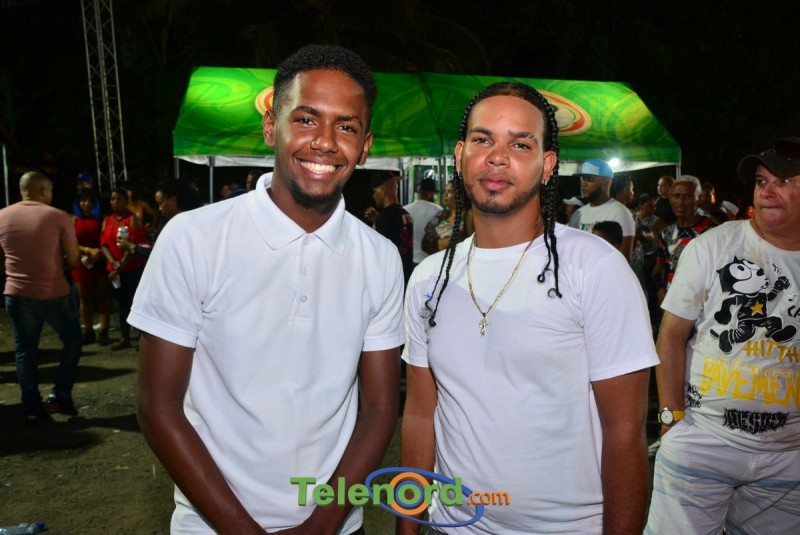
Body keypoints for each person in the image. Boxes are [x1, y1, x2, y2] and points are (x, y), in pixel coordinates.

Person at [129, 44, 403, 534]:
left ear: (365, 147)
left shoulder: (379, 258)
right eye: (306, 119)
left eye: (346, 127)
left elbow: (380, 409)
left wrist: (324, 524)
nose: (325, 142)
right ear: (270, 126)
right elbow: (158, 407)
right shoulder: (193, 238)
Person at [401, 82, 657, 534]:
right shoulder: (429, 278)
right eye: (483, 140)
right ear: (460, 156)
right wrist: (408, 527)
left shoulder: (594, 268)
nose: (497, 157)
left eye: (520, 144)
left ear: (547, 166)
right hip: (453, 525)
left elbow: (624, 432)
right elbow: (421, 415)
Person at [645, 139, 800, 534]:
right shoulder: (713, 246)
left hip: (789, 459)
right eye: (762, 181)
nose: (767, 191)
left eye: (783, 181)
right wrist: (670, 422)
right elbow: (671, 336)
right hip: (704, 441)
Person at [0, 171, 82, 422]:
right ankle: (60, 394)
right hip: (52, 292)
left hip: (16, 292)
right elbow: (74, 260)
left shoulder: (2, 216)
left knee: (25, 350)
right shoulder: (57, 216)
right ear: (43, 191)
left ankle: (32, 405)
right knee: (73, 339)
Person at [652, 175, 715, 304]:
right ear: (670, 198)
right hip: (672, 303)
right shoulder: (667, 233)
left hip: (703, 304)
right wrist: (660, 290)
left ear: (699, 199)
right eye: (676, 196)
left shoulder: (712, 233)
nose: (680, 202)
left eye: (687, 197)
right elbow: (657, 271)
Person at [100, 186, 147, 350]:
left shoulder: (133, 219)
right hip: (115, 270)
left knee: (137, 303)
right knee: (122, 304)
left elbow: (135, 244)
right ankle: (124, 337)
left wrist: (120, 266)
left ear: (125, 201)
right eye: (112, 199)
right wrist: (113, 262)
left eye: (118, 199)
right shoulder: (107, 220)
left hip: (132, 269)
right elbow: (103, 244)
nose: (115, 202)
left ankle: (142, 339)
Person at [569, 159, 636, 261]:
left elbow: (624, 259)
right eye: (583, 179)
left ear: (606, 181)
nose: (584, 184)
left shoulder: (621, 213)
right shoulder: (578, 214)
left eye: (590, 179)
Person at [116, 179, 202, 259]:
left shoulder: (182, 225)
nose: (159, 208)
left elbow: (160, 253)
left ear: (173, 200)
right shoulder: (177, 220)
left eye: (161, 203)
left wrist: (131, 246)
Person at [72, 190, 113, 346]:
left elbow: (107, 239)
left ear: (95, 203)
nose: (86, 204)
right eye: (83, 201)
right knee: (84, 298)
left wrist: (99, 254)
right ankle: (88, 331)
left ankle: (104, 331)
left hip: (100, 260)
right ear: (78, 203)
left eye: (89, 201)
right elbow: (69, 242)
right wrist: (87, 250)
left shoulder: (102, 219)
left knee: (103, 297)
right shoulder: (72, 220)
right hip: (81, 262)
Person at [364, 171, 414, 284]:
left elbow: (381, 253)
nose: (373, 196)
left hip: (389, 279)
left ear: (383, 189)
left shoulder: (386, 216)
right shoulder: (406, 214)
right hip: (405, 276)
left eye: (375, 192)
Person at [421, 178, 474, 255]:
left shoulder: (469, 214)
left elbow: (472, 242)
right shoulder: (441, 214)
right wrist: (441, 243)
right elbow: (425, 244)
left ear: (461, 195)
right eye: (444, 191)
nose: (445, 195)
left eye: (449, 191)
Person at [403, 174, 443, 266]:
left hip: (410, 260)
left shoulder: (405, 209)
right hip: (431, 261)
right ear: (430, 194)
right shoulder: (438, 210)